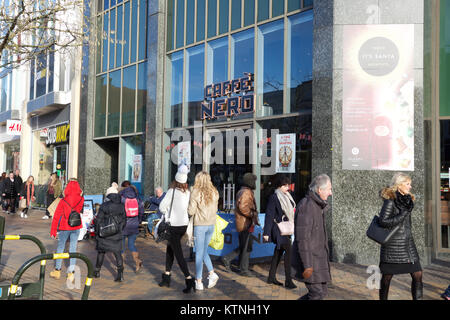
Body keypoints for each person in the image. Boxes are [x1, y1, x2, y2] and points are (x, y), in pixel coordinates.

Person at [377, 173, 423, 300]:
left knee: (418, 274)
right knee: (386, 278)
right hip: (393, 246)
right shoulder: (390, 201)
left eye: (410, 184)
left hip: (408, 245)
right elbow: (383, 221)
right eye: (407, 184)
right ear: (399, 185)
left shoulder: (408, 200)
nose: (410, 186)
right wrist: (402, 214)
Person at [293, 174, 332, 300]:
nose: (331, 193)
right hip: (311, 260)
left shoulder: (318, 206)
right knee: (317, 294)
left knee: (322, 293)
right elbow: (302, 239)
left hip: (320, 259)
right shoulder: (307, 206)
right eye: (329, 189)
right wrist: (307, 265)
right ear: (320, 190)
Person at [158, 165, 195, 293]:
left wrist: (168, 211)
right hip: (183, 226)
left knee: (178, 254)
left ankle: (189, 279)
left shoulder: (171, 192)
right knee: (170, 248)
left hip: (173, 226)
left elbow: (162, 207)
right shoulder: (188, 193)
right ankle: (166, 276)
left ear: (176, 180)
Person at [221, 172, 260, 277]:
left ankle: (233, 262)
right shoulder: (246, 192)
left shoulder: (243, 191)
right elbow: (243, 207)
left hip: (244, 223)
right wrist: (252, 214)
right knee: (246, 247)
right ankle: (243, 269)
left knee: (245, 246)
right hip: (245, 224)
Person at [263, 175, 297, 289]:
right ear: (279, 186)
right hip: (278, 229)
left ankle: (271, 277)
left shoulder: (288, 196)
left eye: (287, 185)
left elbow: (292, 210)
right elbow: (269, 214)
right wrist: (266, 233)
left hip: (286, 228)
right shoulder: (274, 197)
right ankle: (288, 280)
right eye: (284, 185)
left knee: (278, 252)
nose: (287, 187)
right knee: (288, 251)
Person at [188, 171, 220, 291]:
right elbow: (216, 209)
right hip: (211, 224)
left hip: (200, 225)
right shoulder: (215, 192)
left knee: (199, 253)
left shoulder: (195, 192)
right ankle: (211, 274)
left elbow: (191, 211)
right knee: (203, 251)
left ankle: (199, 281)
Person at [49, 179, 84, 283]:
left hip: (65, 227)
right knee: (73, 248)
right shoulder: (81, 199)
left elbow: (56, 216)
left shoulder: (63, 200)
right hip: (76, 226)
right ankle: (71, 273)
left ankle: (57, 270)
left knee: (60, 247)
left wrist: (53, 231)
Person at [93, 184, 127, 282]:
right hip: (116, 233)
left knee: (101, 252)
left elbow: (98, 220)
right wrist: (119, 228)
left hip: (105, 233)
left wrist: (97, 232)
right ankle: (120, 275)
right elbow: (124, 219)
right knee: (117, 253)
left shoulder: (104, 205)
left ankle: (97, 271)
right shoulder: (121, 205)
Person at [119, 180, 144, 273]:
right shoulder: (137, 199)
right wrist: (138, 221)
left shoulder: (121, 198)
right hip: (134, 225)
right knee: (131, 245)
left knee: (121, 246)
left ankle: (120, 266)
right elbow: (141, 211)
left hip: (123, 225)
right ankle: (137, 262)